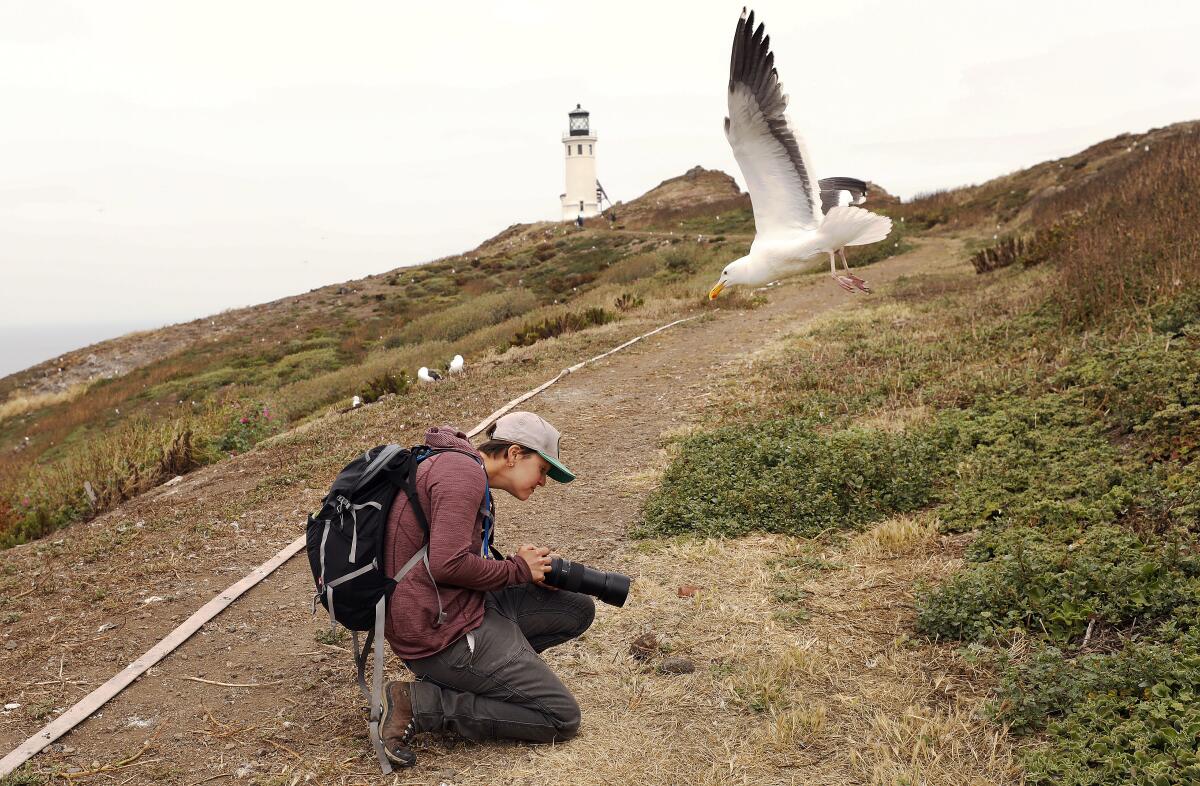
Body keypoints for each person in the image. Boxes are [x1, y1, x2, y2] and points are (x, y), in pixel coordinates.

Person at [375, 411, 594, 767]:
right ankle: (422, 704)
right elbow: (448, 564)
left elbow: (447, 559)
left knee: (576, 608)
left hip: (458, 606)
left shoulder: (460, 468)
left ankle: (491, 677)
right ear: (513, 454)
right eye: (542, 469)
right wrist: (517, 570)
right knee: (560, 716)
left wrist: (522, 570)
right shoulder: (462, 476)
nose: (543, 482)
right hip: (440, 633)